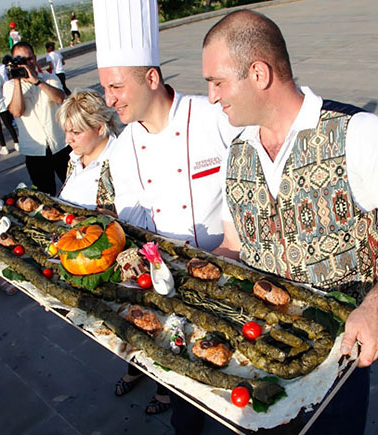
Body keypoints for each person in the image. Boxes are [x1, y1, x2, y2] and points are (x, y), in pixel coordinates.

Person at [200, 10, 378, 434]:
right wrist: (193, 275)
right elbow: (234, 244)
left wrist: (377, 306)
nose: (212, 97)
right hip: (260, 353)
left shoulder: (360, 134)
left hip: (337, 359)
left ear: (258, 73)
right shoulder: (236, 152)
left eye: (217, 82)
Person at [92, 0, 242, 417]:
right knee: (186, 385)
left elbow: (248, 184)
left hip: (232, 272)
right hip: (170, 283)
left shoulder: (212, 116)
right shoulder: (122, 151)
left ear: (152, 77)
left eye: (116, 87)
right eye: (105, 88)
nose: (109, 99)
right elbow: (135, 221)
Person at [3, 41, 69, 196]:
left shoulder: (50, 78)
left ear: (35, 58)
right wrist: (17, 79)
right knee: (46, 196)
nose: (26, 64)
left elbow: (60, 98)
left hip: (60, 144)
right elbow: (17, 111)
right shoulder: (9, 87)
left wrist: (37, 82)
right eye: (20, 61)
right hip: (35, 151)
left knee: (74, 188)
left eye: (29, 59)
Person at [56, 89, 121, 209]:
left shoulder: (120, 161)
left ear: (100, 128)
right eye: (66, 132)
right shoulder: (75, 158)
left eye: (76, 132)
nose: (68, 140)